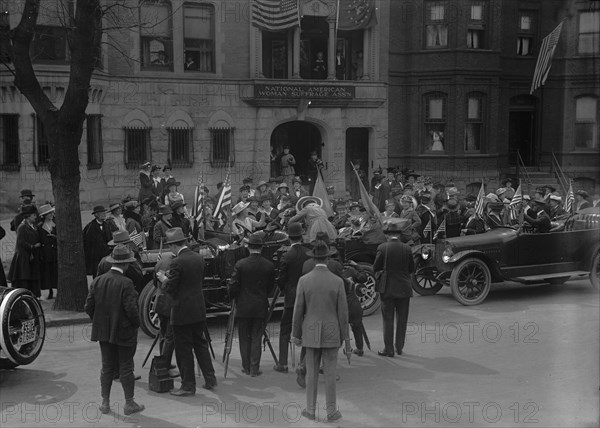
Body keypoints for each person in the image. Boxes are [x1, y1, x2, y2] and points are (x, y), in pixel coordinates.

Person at [291, 241, 350, 422]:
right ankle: (331, 412)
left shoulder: (304, 280)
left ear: (314, 258)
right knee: (330, 373)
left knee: (311, 373)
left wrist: (296, 334)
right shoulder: (338, 281)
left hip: (310, 331)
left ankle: (310, 410)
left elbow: (298, 309)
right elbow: (343, 314)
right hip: (332, 332)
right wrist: (346, 339)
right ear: (328, 257)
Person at [84, 245, 144, 416]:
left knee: (107, 367)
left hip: (103, 331)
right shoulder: (126, 283)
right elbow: (132, 309)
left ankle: (105, 402)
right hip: (124, 332)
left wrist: (99, 321)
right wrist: (136, 324)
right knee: (126, 367)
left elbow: (89, 306)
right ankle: (129, 403)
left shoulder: (98, 281)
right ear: (125, 265)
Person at [156, 228, 217, 395]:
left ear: (175, 245)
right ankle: (210, 379)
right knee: (201, 345)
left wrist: (163, 279)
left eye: (170, 246)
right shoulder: (198, 258)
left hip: (181, 311)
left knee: (183, 350)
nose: (170, 250)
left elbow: (171, 287)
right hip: (198, 308)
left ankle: (188, 385)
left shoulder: (177, 262)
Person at [228, 232, 275, 376]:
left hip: (243, 305)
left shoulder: (241, 264)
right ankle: (254, 368)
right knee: (256, 337)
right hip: (260, 305)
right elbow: (271, 288)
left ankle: (246, 366)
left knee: (244, 337)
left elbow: (234, 286)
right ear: (261, 248)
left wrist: (233, 296)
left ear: (248, 247)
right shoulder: (269, 265)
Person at [373, 221, 415, 357]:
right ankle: (399, 347)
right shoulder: (407, 248)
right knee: (402, 319)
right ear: (399, 235)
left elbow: (376, 267)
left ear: (388, 235)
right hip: (404, 288)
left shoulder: (382, 247)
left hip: (387, 288)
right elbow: (411, 269)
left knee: (388, 320)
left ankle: (389, 349)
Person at [274, 223, 310, 374]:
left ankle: (282, 363)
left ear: (288, 237)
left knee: (285, 330)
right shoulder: (309, 253)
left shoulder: (286, 255)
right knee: (307, 329)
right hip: (307, 295)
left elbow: (281, 279)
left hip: (291, 296)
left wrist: (284, 290)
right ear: (302, 236)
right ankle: (304, 362)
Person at [8, 205, 41, 297]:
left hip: (31, 257)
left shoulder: (33, 226)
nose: (36, 217)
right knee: (24, 277)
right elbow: (20, 242)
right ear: (28, 216)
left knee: (32, 276)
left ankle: (33, 295)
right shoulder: (22, 227)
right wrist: (33, 246)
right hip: (23, 258)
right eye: (34, 215)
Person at [83, 206, 113, 278]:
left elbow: (110, 239)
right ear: (96, 215)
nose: (104, 214)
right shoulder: (90, 227)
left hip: (106, 255)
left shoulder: (106, 225)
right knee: (97, 274)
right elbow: (87, 243)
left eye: (104, 213)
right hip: (95, 257)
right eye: (102, 213)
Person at [37, 204, 57, 300]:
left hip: (55, 251)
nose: (51, 215)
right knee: (48, 271)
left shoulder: (56, 224)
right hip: (46, 252)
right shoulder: (40, 227)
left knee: (55, 270)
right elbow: (39, 239)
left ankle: (57, 289)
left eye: (52, 213)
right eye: (49, 214)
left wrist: (55, 238)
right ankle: (50, 290)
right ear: (44, 215)